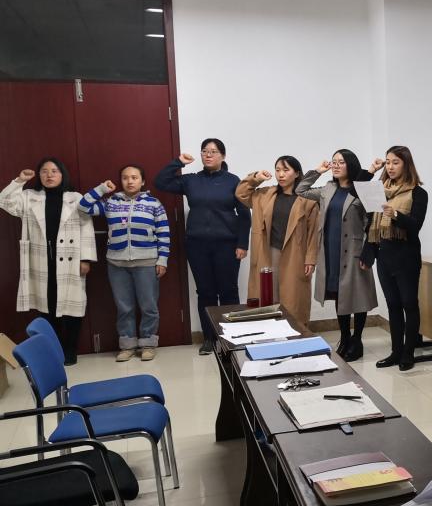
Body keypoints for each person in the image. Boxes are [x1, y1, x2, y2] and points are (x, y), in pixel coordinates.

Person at [155, 138, 251, 355]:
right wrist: (178, 162)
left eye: (213, 151)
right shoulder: (191, 180)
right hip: (197, 245)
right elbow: (160, 182)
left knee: (228, 292)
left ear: (223, 156)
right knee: (205, 292)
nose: (208, 155)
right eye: (205, 151)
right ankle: (209, 338)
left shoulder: (233, 181)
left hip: (227, 245)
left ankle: (231, 337)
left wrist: (242, 243)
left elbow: (244, 214)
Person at [1, 159, 96, 365]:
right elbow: (4, 201)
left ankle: (70, 350)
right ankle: (55, 350)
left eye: (54, 171)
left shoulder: (75, 198)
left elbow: (87, 228)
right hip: (41, 260)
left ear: (62, 174)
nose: (49, 175)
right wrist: (19, 181)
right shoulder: (29, 197)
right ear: (39, 175)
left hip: (70, 260)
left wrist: (86, 258)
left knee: (72, 306)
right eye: (44, 171)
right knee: (47, 307)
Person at [79, 165, 170, 362]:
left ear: (142, 181)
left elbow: (164, 232)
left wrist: (162, 259)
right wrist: (102, 188)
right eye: (125, 177)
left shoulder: (154, 204)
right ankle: (127, 346)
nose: (130, 181)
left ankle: (148, 344)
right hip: (117, 263)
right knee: (124, 307)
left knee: (148, 306)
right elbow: (83, 206)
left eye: (134, 177)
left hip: (146, 262)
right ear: (120, 181)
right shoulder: (111, 202)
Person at [296, 149, 378, 361]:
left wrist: (370, 251)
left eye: (341, 162)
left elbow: (373, 221)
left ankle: (357, 340)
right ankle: (345, 337)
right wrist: (318, 171)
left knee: (357, 295)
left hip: (354, 251)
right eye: (334, 162)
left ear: (351, 164)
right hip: (330, 250)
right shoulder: (328, 188)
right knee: (339, 294)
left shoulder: (363, 189)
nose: (336, 165)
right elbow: (300, 190)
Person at [360, 146, 427, 371]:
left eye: (395, 162)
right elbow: (370, 223)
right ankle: (395, 352)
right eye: (388, 162)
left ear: (406, 165)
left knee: (409, 304)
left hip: (406, 256)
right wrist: (368, 254)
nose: (390, 167)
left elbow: (416, 226)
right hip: (384, 255)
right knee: (393, 305)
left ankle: (408, 353)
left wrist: (396, 215)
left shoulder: (418, 192)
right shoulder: (379, 190)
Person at [235, 156, 321, 328]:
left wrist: (311, 259)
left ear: (297, 173)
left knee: (293, 298)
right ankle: (268, 332)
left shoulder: (308, 200)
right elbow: (241, 194)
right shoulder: (264, 194)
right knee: (267, 295)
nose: (280, 174)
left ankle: (295, 332)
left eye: (286, 170)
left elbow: (314, 233)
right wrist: (256, 178)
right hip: (268, 252)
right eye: (278, 170)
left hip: (295, 255)